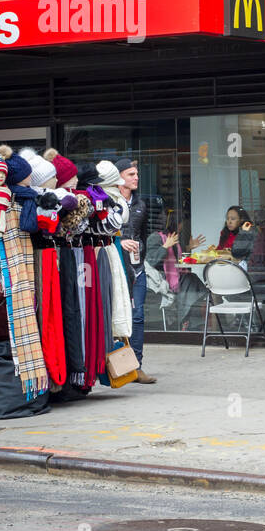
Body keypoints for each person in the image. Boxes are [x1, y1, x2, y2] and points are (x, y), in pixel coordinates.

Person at [115, 157, 153, 384]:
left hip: (137, 268)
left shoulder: (141, 204)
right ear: (119, 177)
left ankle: (137, 367)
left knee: (137, 316)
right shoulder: (110, 203)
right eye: (131, 174)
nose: (136, 178)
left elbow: (145, 234)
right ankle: (116, 366)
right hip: (116, 267)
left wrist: (141, 249)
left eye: (136, 174)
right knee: (116, 317)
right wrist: (120, 243)